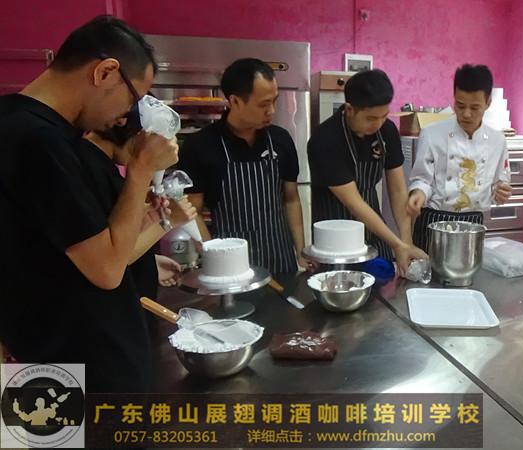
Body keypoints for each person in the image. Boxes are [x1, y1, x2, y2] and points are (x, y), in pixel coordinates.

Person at [0, 16, 179, 392]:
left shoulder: (27, 127)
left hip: (54, 365)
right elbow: (107, 270)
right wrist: (141, 169)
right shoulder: (38, 141)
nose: (125, 115)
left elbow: (69, 245)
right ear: (105, 72)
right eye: (131, 99)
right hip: (79, 374)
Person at [178, 58, 311, 274]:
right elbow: (192, 212)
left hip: (281, 260)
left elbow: (291, 199)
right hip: (231, 267)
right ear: (235, 101)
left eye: (274, 101)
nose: (271, 110)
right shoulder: (201, 145)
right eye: (263, 104)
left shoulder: (280, 139)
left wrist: (300, 251)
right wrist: (214, 258)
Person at [307, 69, 426, 277]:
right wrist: (397, 244)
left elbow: (398, 191)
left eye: (383, 116)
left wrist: (405, 244)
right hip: (335, 240)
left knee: (383, 285)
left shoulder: (386, 131)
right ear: (349, 109)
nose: (378, 124)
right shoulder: (325, 140)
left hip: (375, 233)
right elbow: (354, 203)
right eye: (371, 118)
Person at [84, 113, 196, 301]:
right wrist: (166, 222)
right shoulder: (90, 173)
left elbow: (122, 238)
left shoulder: (103, 166)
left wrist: (150, 261)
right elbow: (109, 260)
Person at [407, 64, 512, 251]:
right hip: (434, 220)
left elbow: (499, 184)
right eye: (460, 106)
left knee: (470, 269)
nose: (466, 114)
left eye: (475, 107)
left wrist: (501, 193)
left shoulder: (497, 140)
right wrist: (418, 193)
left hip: (473, 223)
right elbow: (422, 180)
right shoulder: (431, 134)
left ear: (488, 102)